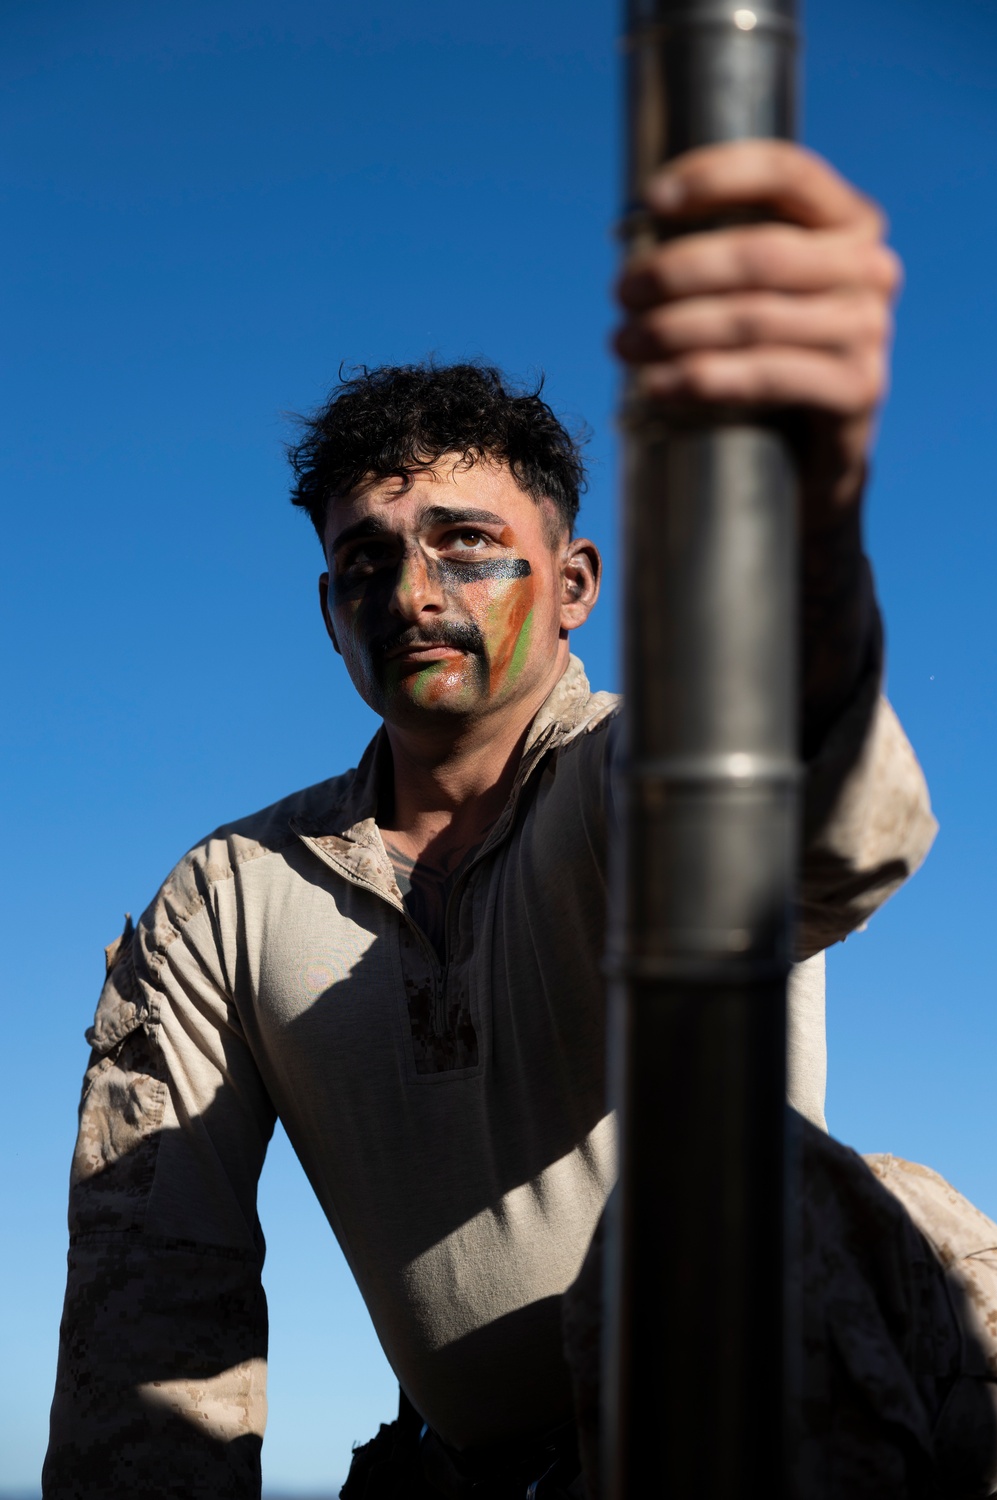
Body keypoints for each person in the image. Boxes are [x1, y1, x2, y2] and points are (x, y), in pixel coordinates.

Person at [44, 142, 939, 1498]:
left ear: (573, 581)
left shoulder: (638, 772)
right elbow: (149, 1308)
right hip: (469, 1475)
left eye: (466, 542)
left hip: (752, 1430)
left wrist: (797, 535)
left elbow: (830, 824)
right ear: (329, 613)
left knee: (883, 1224)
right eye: (364, 562)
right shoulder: (231, 895)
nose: (410, 590)